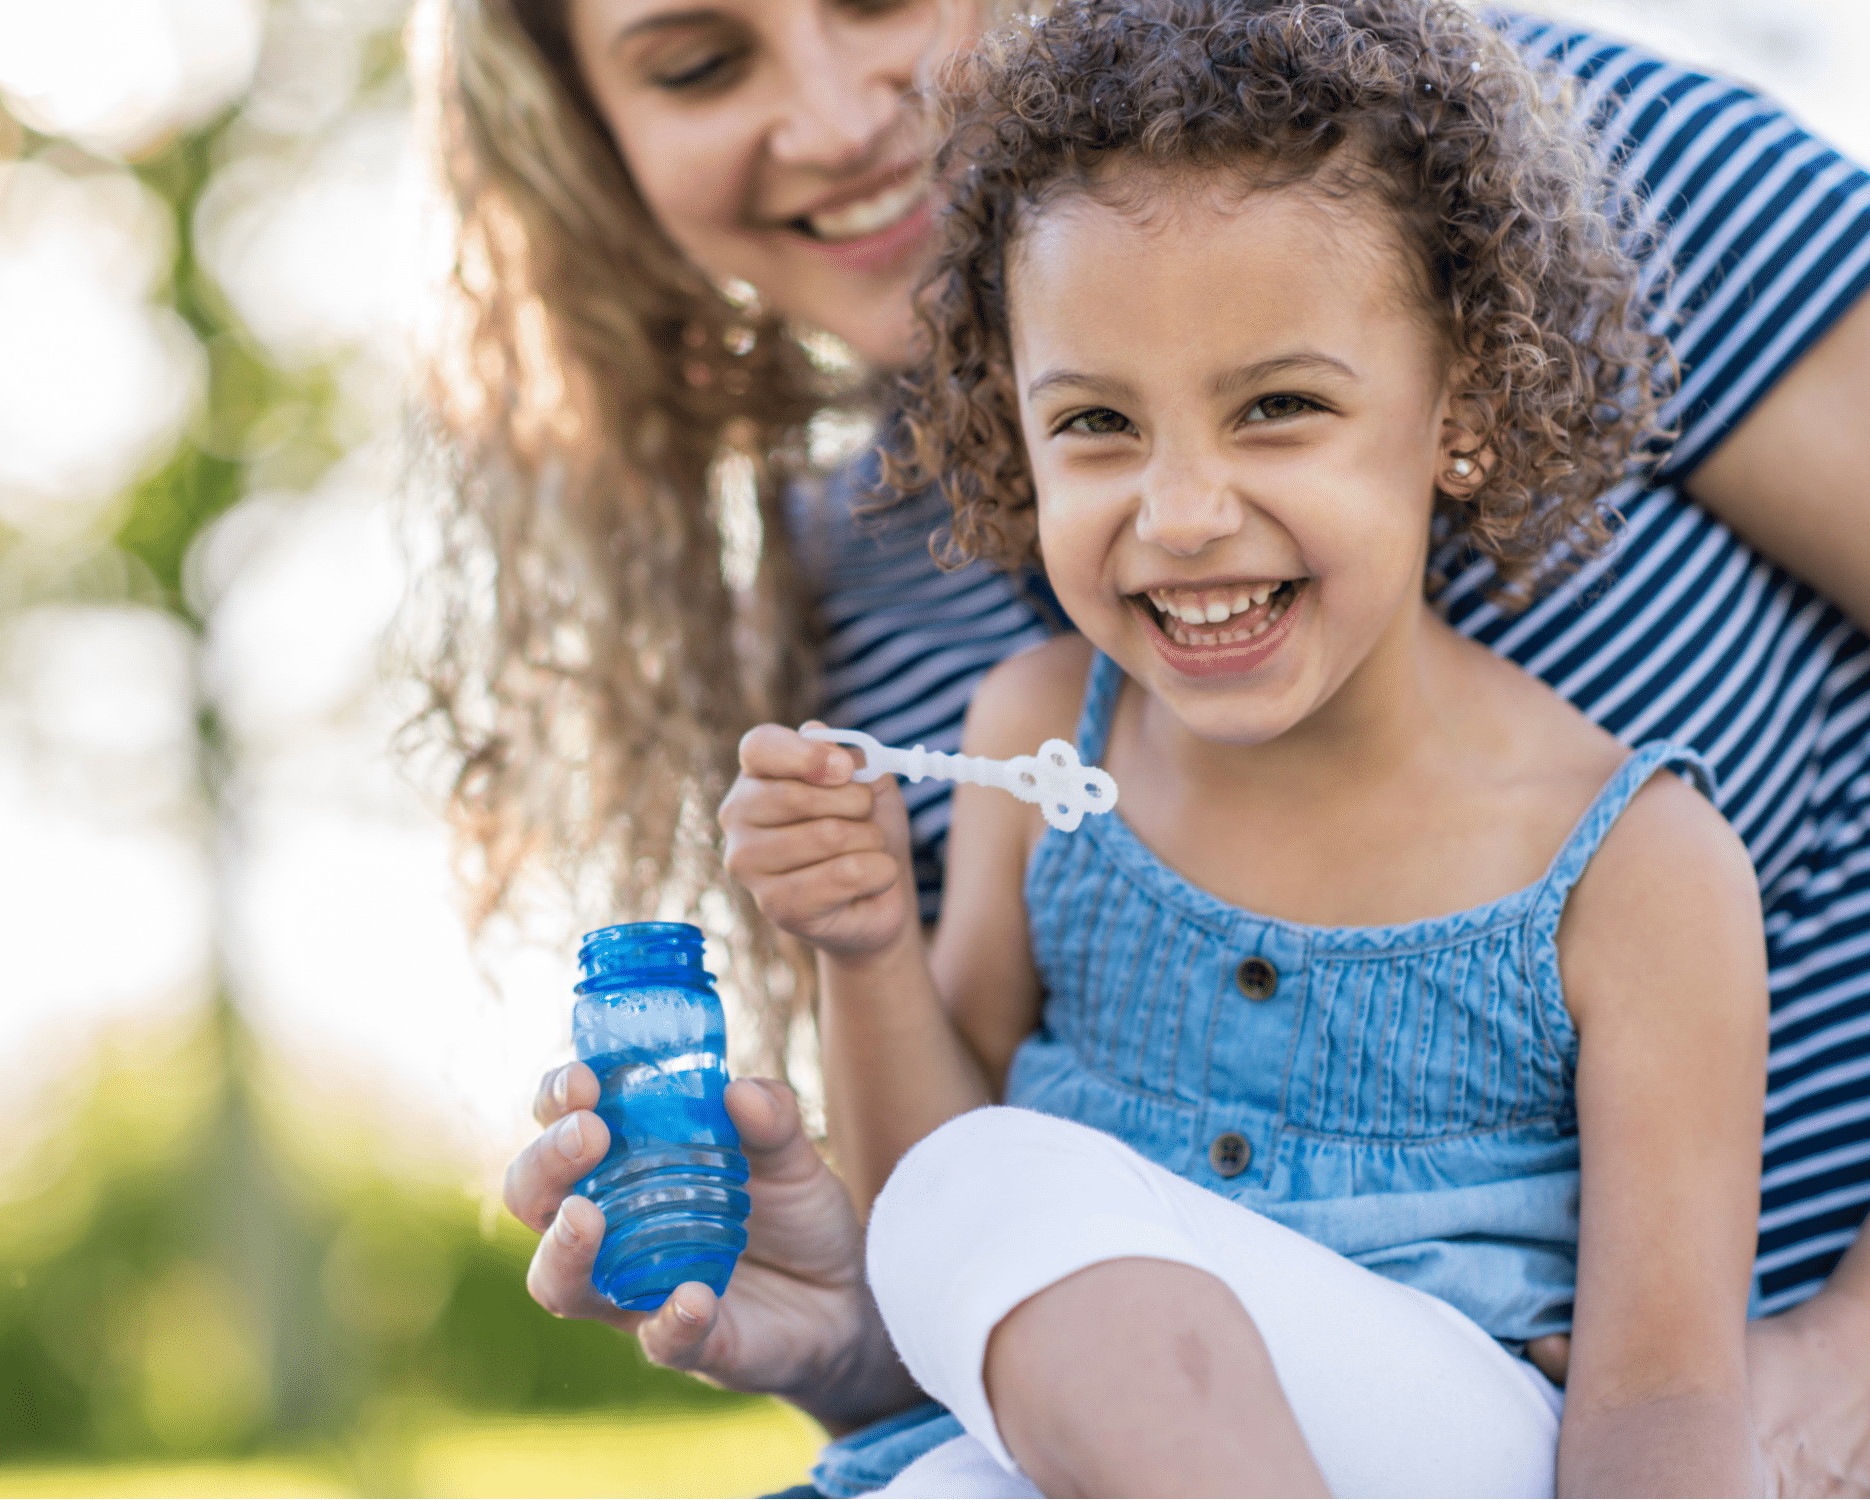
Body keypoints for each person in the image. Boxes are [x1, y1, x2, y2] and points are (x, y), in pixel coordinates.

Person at [425, 0, 1870, 1490]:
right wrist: (854, 1012)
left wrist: (1852, 1359)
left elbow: (1655, 1407)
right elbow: (987, 1273)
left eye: (1280, 407)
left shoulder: (1489, 166)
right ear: (1010, 432)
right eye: (698, 62)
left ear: (1476, 395)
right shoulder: (975, 694)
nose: (833, 118)